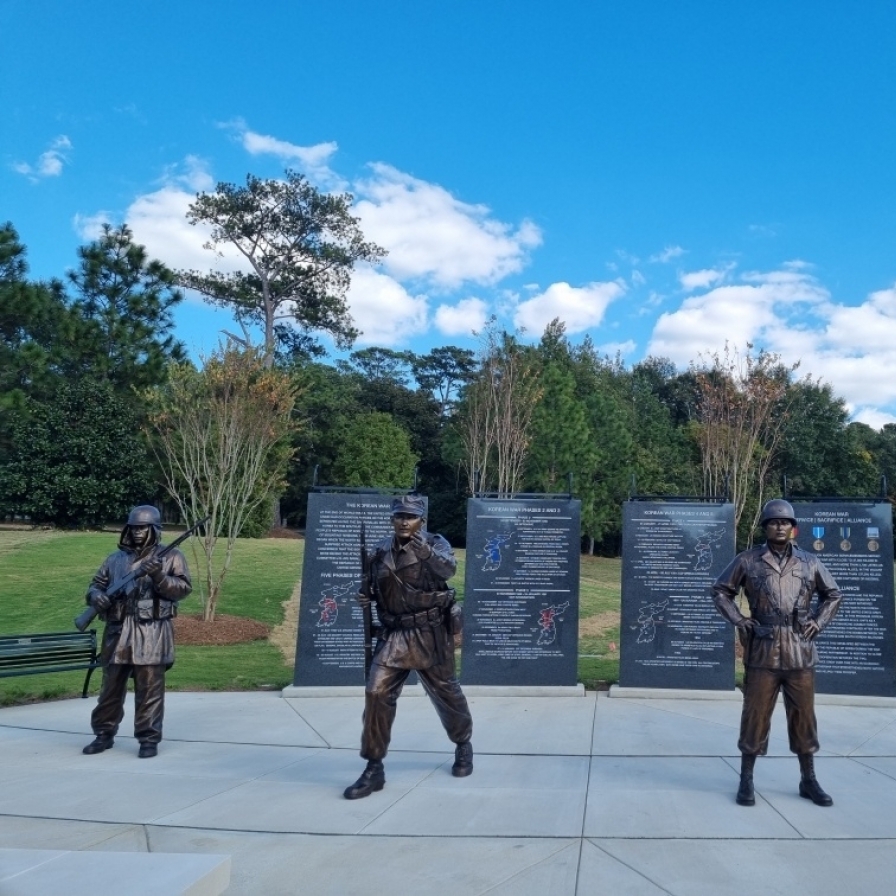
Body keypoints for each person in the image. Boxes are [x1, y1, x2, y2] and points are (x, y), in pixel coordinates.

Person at [712, 498, 842, 807]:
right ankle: (746, 778)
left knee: (803, 717)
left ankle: (808, 779)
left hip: (800, 650)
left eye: (785, 522)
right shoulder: (748, 560)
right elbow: (721, 591)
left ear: (793, 528)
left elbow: (833, 594)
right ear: (766, 527)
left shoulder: (810, 562)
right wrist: (740, 620)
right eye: (773, 522)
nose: (780, 526)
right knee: (755, 715)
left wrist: (819, 622)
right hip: (763, 650)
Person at [345, 494, 473, 799]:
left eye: (411, 516)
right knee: (376, 693)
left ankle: (462, 743)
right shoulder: (379, 550)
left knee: (446, 693)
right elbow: (378, 588)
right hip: (394, 634)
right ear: (392, 519)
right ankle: (374, 767)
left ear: (421, 520)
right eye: (399, 515)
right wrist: (366, 597)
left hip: (429, 632)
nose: (404, 521)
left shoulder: (435, 544)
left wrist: (425, 552)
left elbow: (448, 571)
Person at [82, 505, 192, 759]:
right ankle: (103, 734)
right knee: (110, 687)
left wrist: (159, 577)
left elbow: (182, 589)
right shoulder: (115, 559)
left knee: (150, 689)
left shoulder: (172, 556)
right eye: (134, 528)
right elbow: (95, 585)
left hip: (151, 631)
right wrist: (96, 596)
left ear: (154, 529)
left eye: (143, 528)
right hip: (118, 631)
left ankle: (148, 739)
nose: (138, 532)